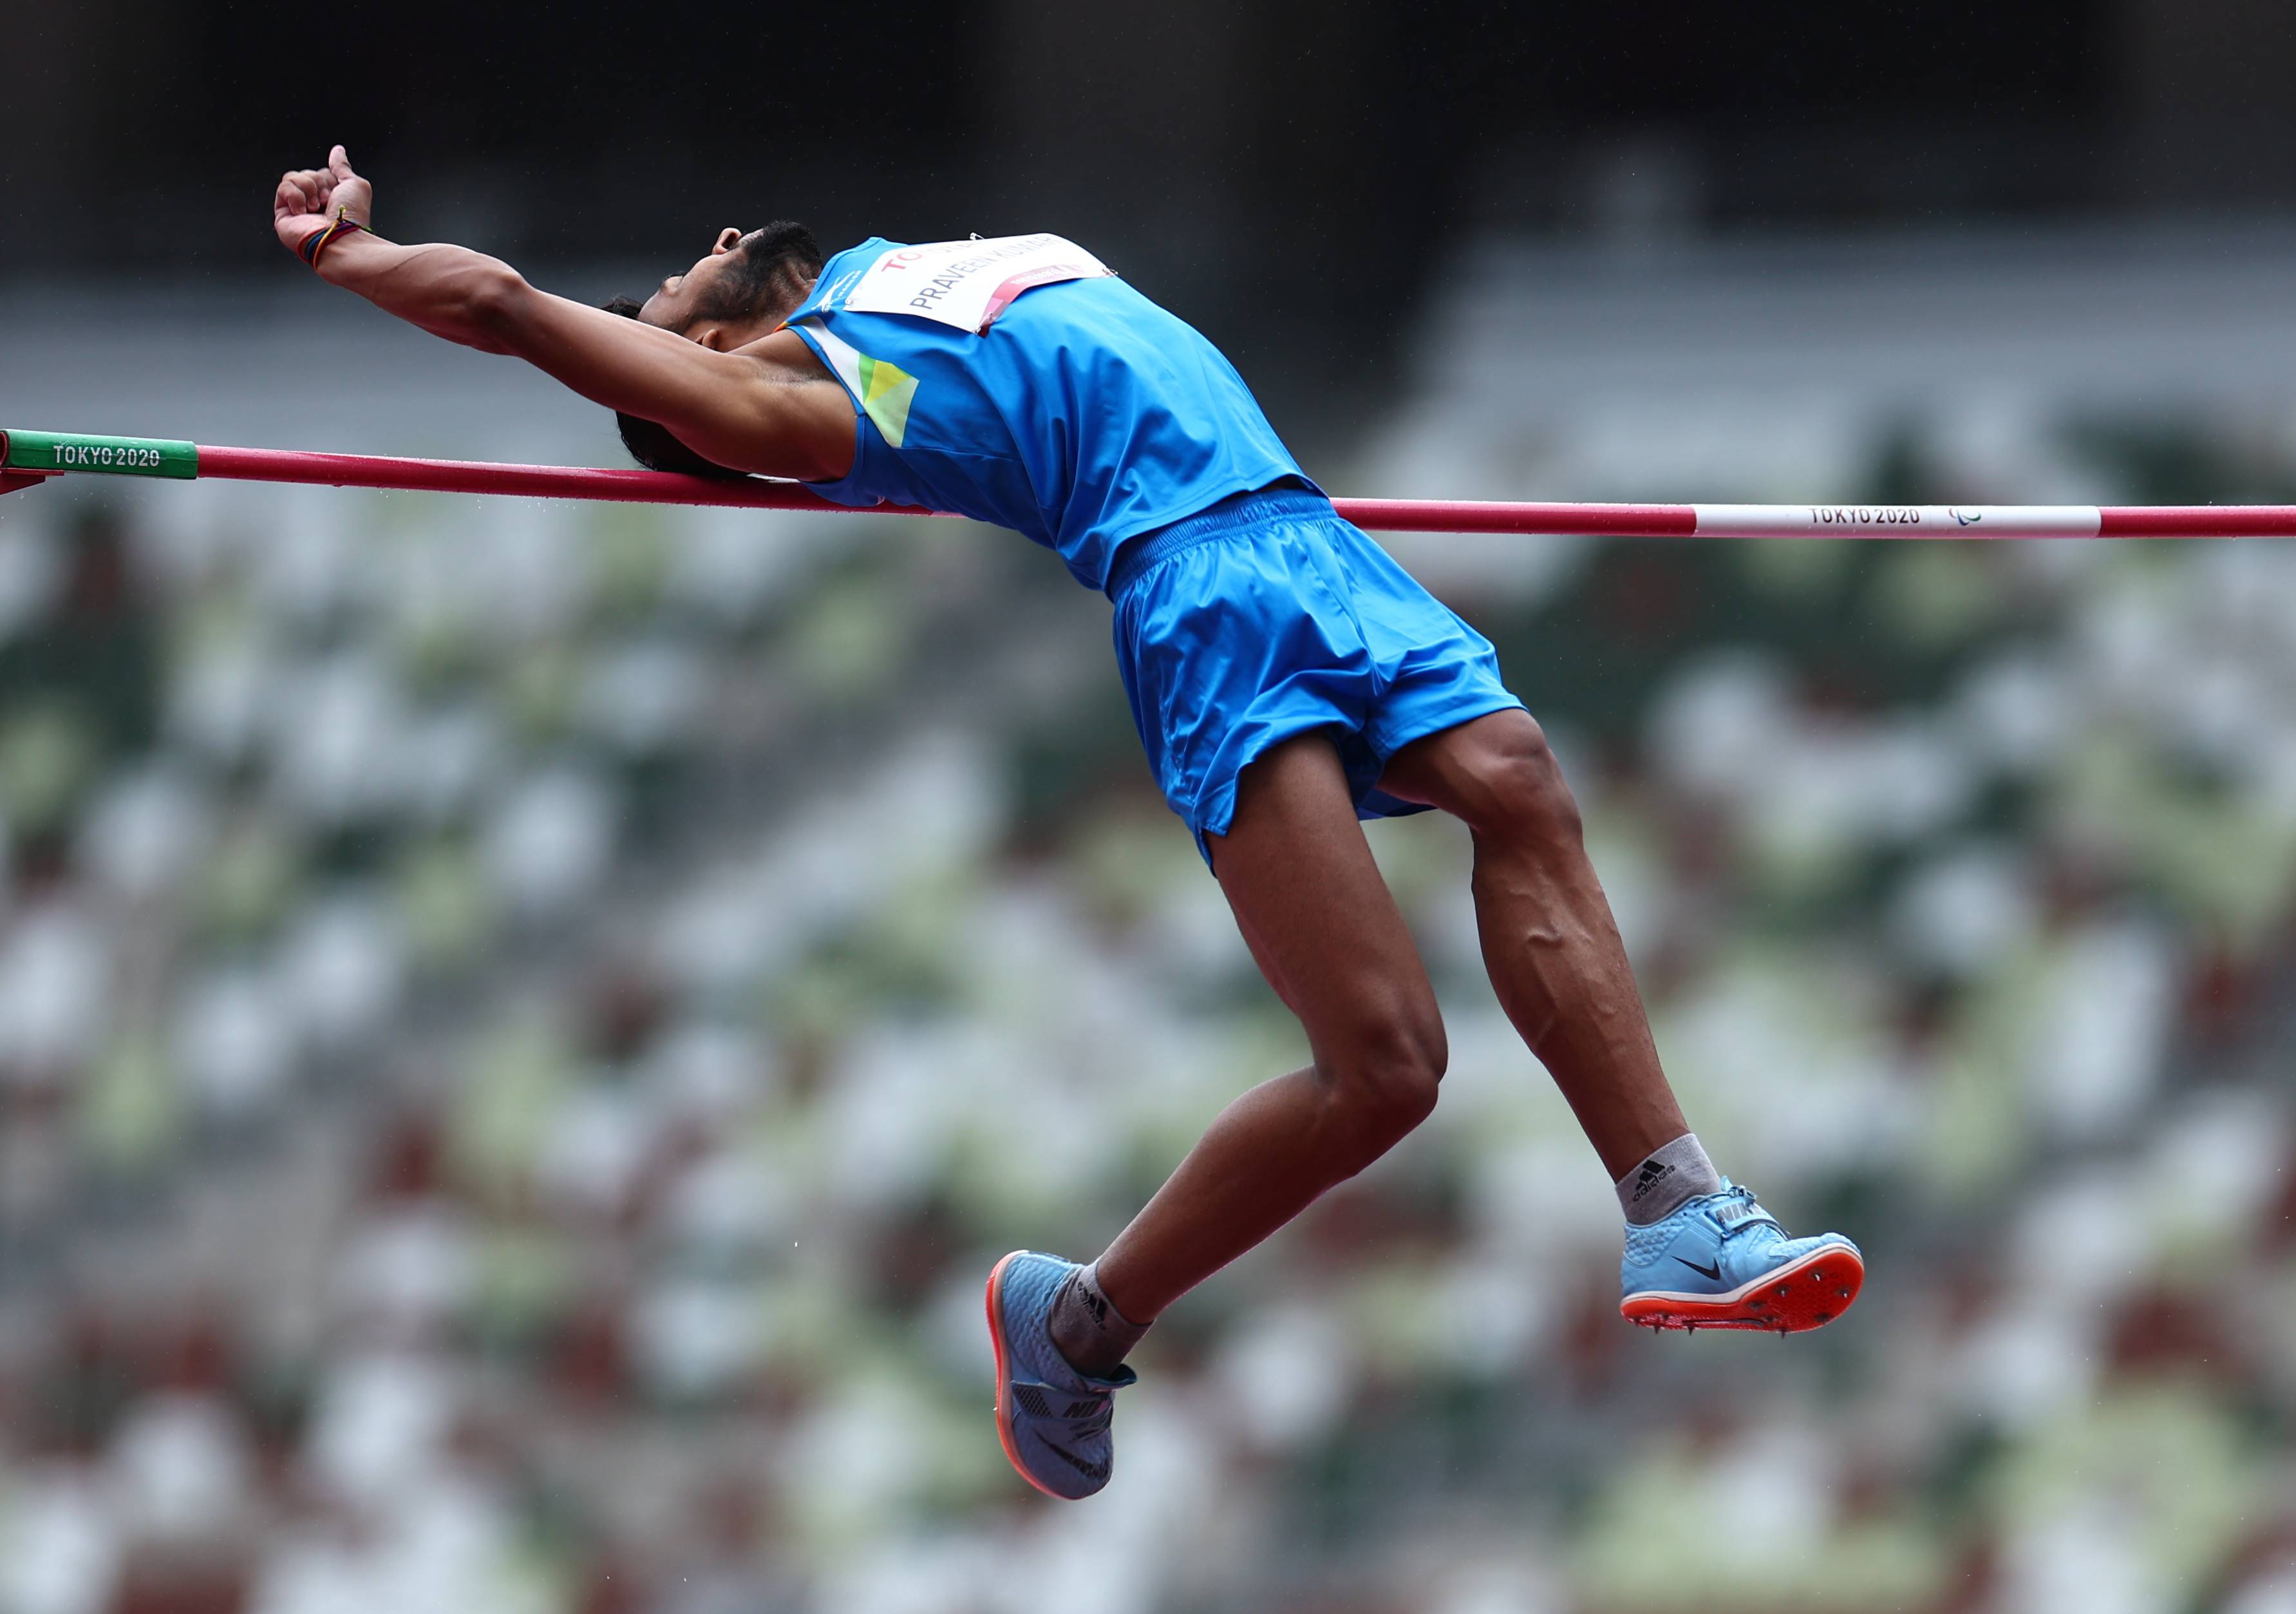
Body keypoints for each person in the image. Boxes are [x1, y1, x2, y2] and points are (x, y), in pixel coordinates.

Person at [274, 146, 1864, 1502]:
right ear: (695, 386)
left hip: (1302, 532)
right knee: (1386, 1066)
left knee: (1523, 781)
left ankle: (1677, 1212)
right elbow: (497, 307)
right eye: (667, 301)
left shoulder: (884, 280)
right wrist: (353, 253)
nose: (693, 263)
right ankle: (1080, 1318)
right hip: (1196, 588)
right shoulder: (799, 404)